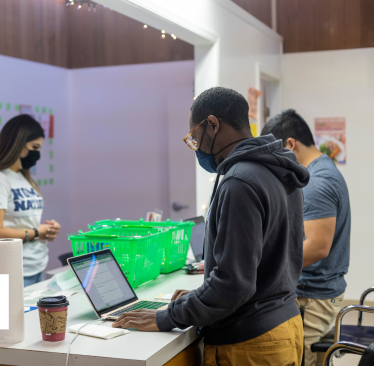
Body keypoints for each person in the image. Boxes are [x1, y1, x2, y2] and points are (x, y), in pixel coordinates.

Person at [112, 87, 309, 366]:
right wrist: (200, 296)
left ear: (213, 124)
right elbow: (263, 264)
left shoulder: (240, 181)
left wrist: (167, 316)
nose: (196, 147)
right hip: (284, 325)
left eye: (194, 137)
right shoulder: (279, 171)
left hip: (250, 340)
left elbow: (233, 285)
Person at [261, 109, 351, 366]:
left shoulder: (318, 182)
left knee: (302, 361)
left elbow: (317, 247)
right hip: (323, 293)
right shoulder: (322, 170)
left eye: (275, 153)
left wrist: (267, 264)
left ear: (291, 144)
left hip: (314, 298)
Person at [0, 114, 61, 287]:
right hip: (13, 268)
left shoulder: (25, 178)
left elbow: (27, 222)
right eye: (35, 147)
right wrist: (37, 232)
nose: (37, 154)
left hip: (37, 264)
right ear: (19, 143)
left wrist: (48, 229)